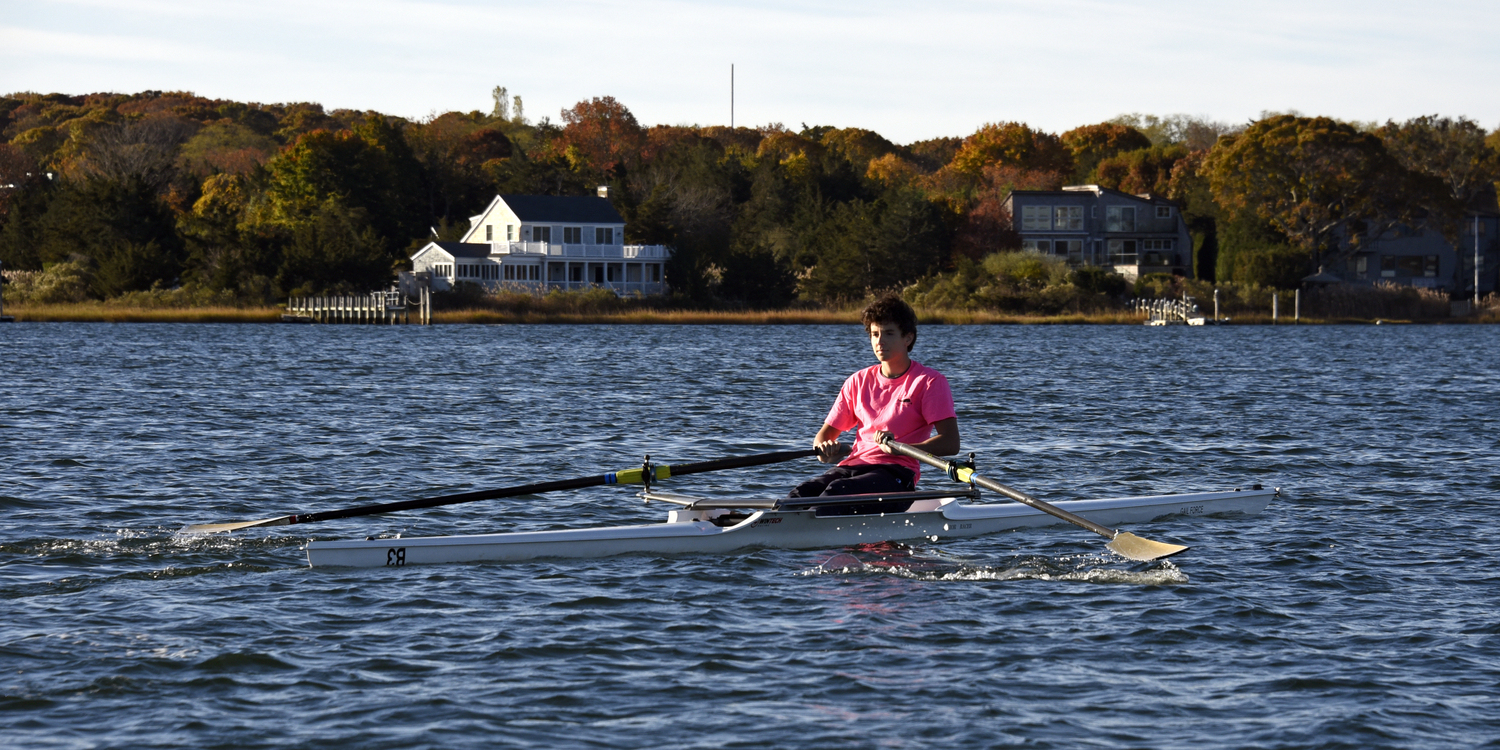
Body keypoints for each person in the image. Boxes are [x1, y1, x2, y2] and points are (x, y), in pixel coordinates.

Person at [789, 294, 960, 498]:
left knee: (836, 492)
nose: (880, 342)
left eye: (888, 334)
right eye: (874, 334)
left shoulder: (929, 381)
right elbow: (823, 437)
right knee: (801, 493)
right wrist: (825, 449)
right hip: (853, 466)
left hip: (896, 473)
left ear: (908, 338)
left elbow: (950, 443)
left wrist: (901, 448)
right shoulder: (857, 381)